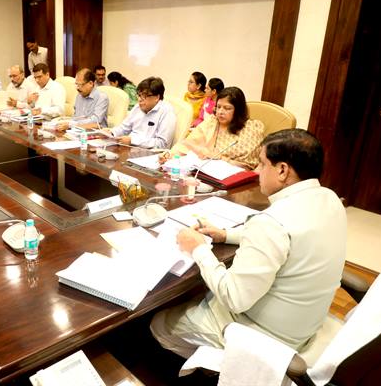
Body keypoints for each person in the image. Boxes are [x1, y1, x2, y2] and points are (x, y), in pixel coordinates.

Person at [150, 129, 347, 360]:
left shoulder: (271, 223)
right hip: (303, 323)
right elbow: (289, 237)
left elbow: (234, 298)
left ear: (282, 170)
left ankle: (221, 366)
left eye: (262, 164)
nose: (257, 171)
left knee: (160, 324)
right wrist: (225, 234)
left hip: (265, 336)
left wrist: (198, 248)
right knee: (203, 293)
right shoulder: (330, 199)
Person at [164, 86, 264, 169]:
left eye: (227, 108)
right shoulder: (212, 121)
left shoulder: (252, 128)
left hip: (236, 177)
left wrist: (220, 158)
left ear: (238, 110)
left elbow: (249, 166)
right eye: (218, 107)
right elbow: (188, 144)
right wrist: (169, 155)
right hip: (206, 172)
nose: (220, 112)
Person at [105, 76, 176, 149]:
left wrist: (133, 141)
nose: (139, 100)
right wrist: (111, 132)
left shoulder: (166, 111)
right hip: (129, 148)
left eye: (144, 96)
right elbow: (124, 128)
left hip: (149, 153)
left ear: (157, 97)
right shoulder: (138, 107)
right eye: (139, 95)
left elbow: (162, 144)